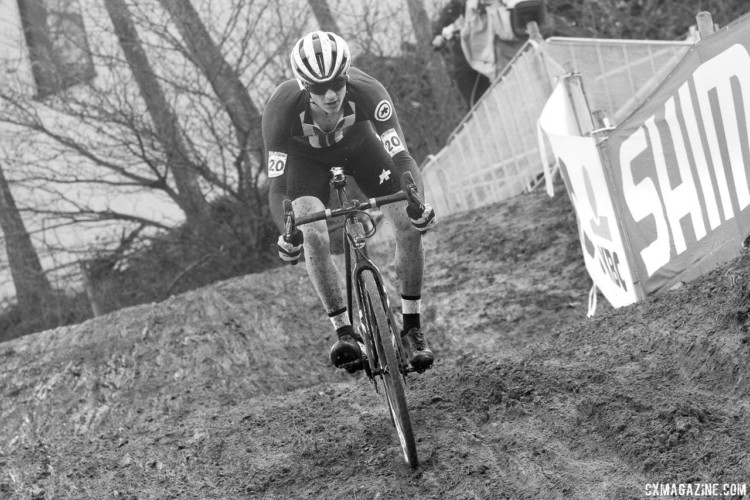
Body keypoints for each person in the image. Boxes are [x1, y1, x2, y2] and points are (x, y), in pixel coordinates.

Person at [262, 31, 436, 372]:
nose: (329, 94)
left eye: (337, 83)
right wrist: (286, 233)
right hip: (304, 162)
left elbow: (401, 158)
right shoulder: (281, 109)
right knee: (312, 230)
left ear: (347, 74)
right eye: (317, 87)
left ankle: (412, 327)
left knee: (406, 223)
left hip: (361, 148)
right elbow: (278, 188)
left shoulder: (369, 92)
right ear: (302, 85)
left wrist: (418, 204)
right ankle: (344, 332)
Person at [432, 0, 491, 107]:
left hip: (486, 60)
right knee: (475, 104)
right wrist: (439, 38)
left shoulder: (479, 3)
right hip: (466, 67)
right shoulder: (451, 10)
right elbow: (438, 35)